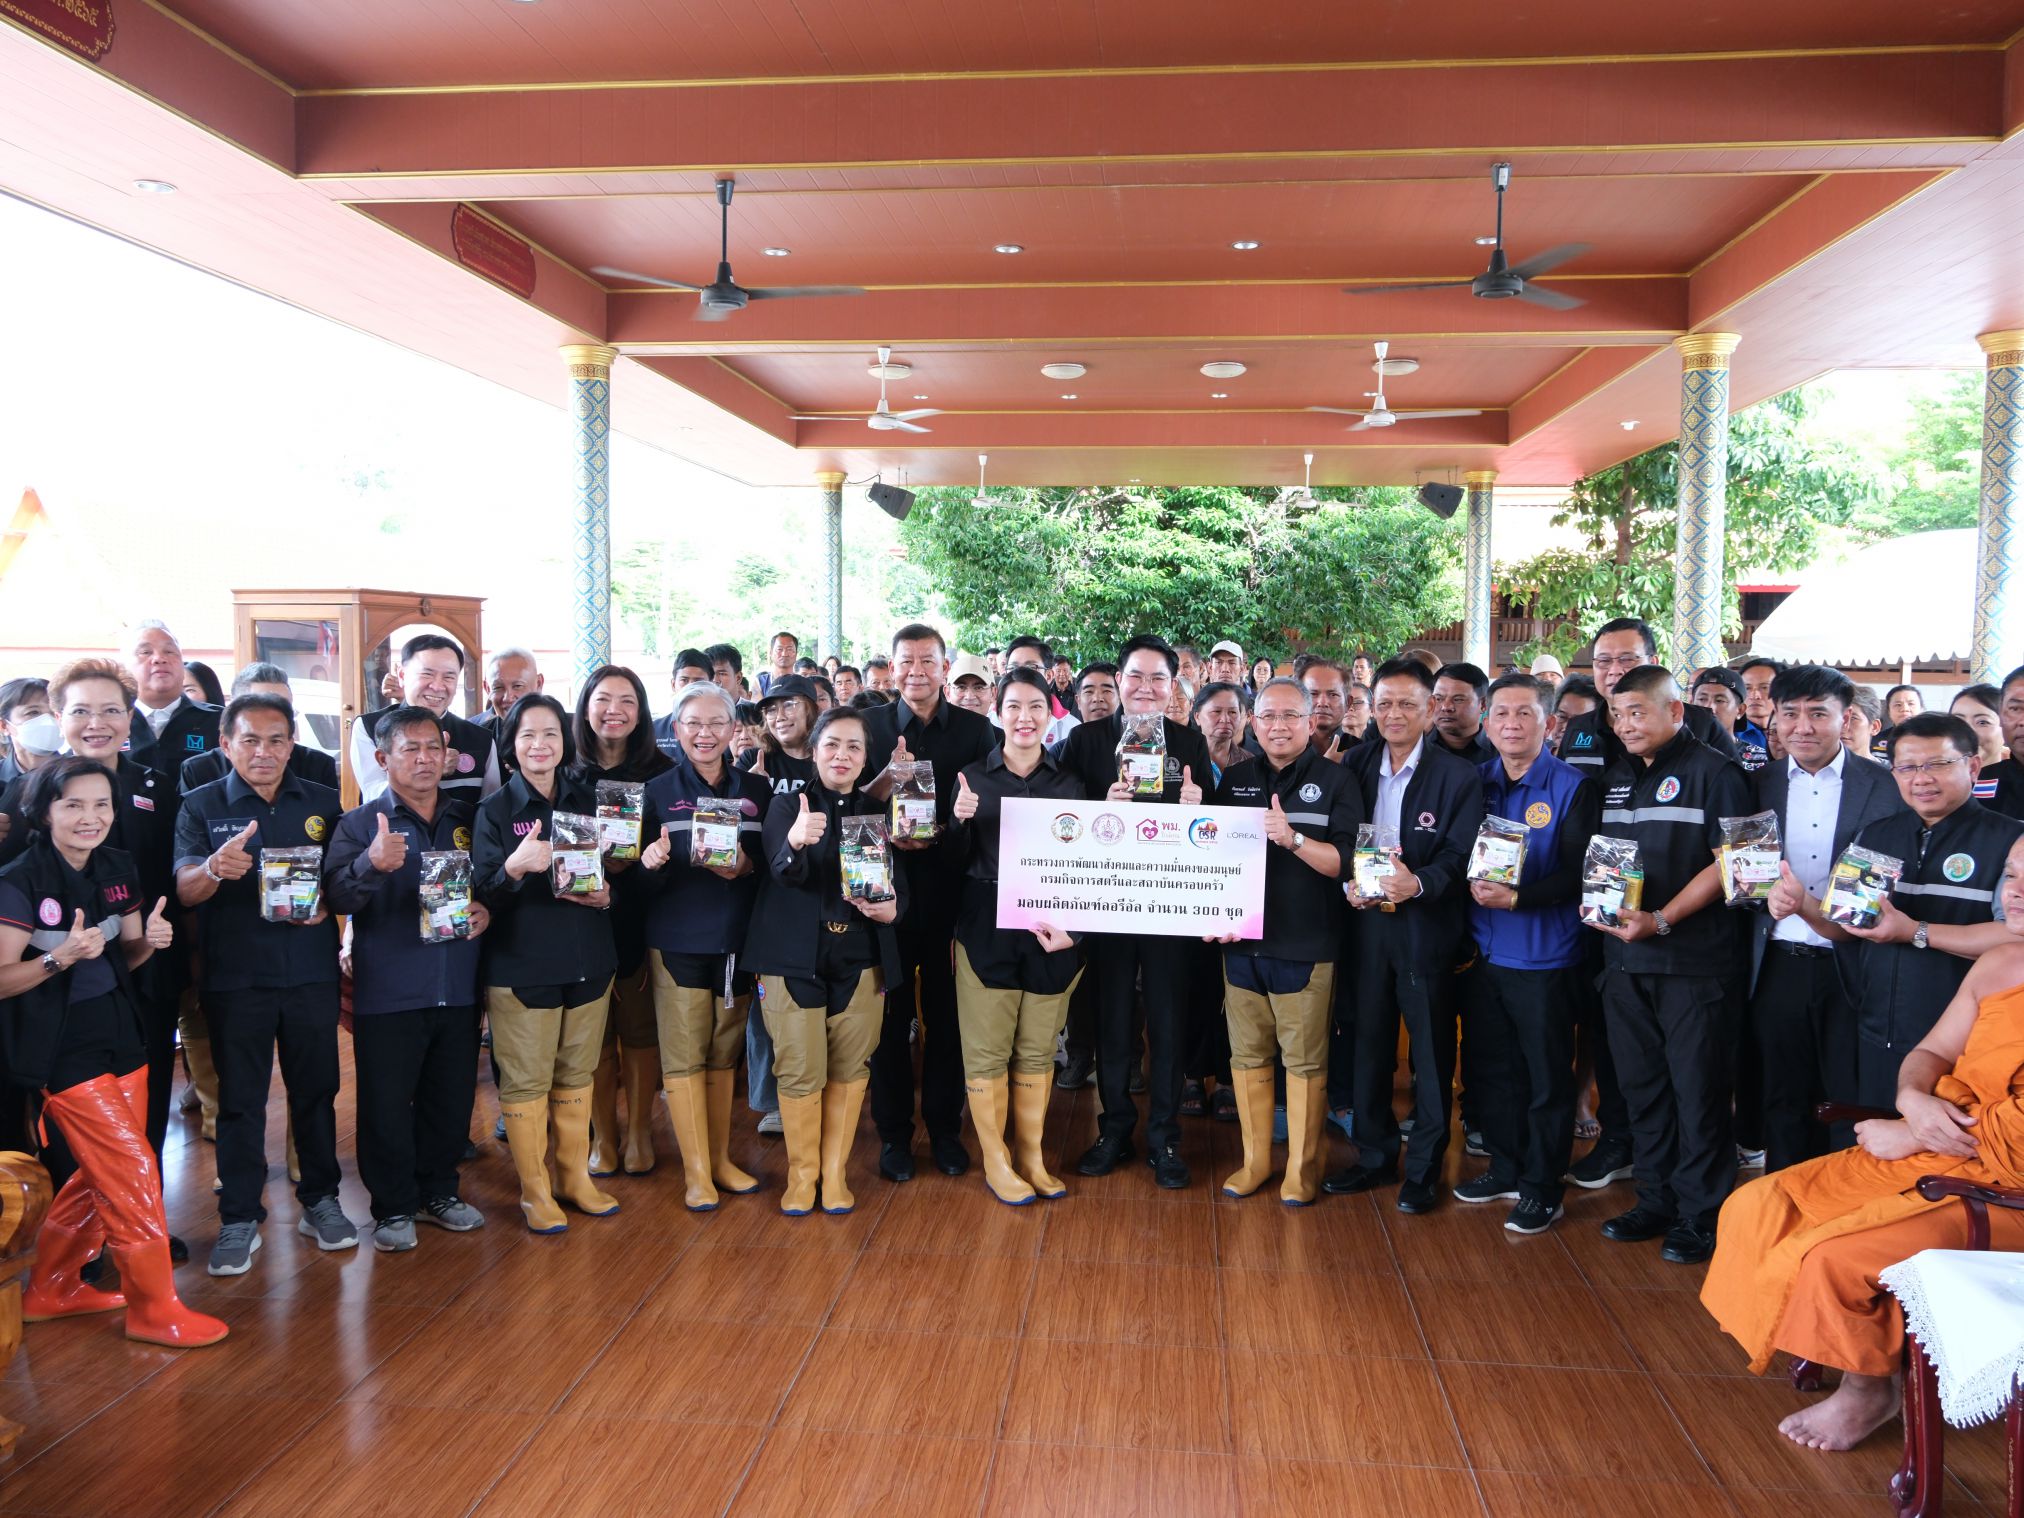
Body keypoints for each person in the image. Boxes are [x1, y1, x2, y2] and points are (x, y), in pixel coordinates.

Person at [1702, 841, 2024, 1452]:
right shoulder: (2001, 962)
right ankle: (1839, 1343)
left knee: (1835, 1257)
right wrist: (1911, 1098)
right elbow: (1932, 1051)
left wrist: (1913, 1131)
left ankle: (1869, 1389)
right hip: (1940, 1145)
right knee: (1760, 1205)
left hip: (2006, 1190)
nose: (2015, 891)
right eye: (2011, 874)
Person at [6, 757, 227, 1347]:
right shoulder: (19, 879)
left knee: (98, 1172)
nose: (90, 817)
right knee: (132, 1166)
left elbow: (127, 954)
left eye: (101, 804)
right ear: (44, 812)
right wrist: (58, 958)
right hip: (62, 1046)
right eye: (73, 805)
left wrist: (151, 941)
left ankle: (51, 1286)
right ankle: (153, 1307)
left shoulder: (116, 866)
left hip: (123, 1032)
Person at [175, 692, 354, 1276]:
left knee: (316, 1091)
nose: (263, 752)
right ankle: (238, 1216)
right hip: (236, 979)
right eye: (249, 740)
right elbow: (184, 889)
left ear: (292, 744)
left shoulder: (323, 802)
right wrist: (212, 869)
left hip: (309, 973)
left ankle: (320, 1200)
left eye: (276, 740)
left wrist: (327, 904)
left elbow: (344, 881)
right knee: (240, 1101)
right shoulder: (201, 805)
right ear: (226, 744)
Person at [1766, 710, 2024, 1108]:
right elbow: (1844, 927)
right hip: (1876, 1028)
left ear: (1973, 767)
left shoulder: (2011, 842)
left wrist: (1914, 931)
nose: (1921, 779)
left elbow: (2015, 936)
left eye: (1938, 764)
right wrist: (1802, 903)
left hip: (1965, 1041)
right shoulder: (1876, 836)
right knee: (1871, 1134)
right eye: (1906, 767)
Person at [1586, 665, 1752, 1264]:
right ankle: (1654, 1199)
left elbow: (1737, 864)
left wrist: (1662, 919)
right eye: (1617, 714)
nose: (1626, 725)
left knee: (1698, 1092)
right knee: (1642, 1089)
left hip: (1694, 965)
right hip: (1625, 962)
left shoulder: (1718, 773)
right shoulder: (1615, 778)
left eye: (1638, 712)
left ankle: (1700, 1214)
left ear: (1675, 711)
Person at [322, 705, 489, 1252]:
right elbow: (336, 897)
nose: (423, 759)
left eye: (432, 748)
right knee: (386, 1104)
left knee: (450, 1097)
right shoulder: (359, 824)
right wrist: (370, 863)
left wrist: (487, 911)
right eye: (409, 749)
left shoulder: (467, 818)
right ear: (382, 758)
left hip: (457, 987)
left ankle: (439, 1191)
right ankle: (393, 1206)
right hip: (389, 992)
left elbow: (491, 882)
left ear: (447, 754)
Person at [1324, 659, 1485, 1212]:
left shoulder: (1458, 776)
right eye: (1385, 704)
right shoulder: (1354, 763)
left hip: (1424, 928)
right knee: (1367, 1044)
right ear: (1371, 708)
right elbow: (1338, 838)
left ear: (1430, 709)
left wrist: (1418, 882)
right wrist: (1346, 882)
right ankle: (1374, 1156)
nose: (1394, 714)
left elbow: (1460, 855)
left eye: (1407, 704)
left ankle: (1424, 1170)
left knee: (1432, 1053)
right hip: (1365, 926)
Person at [1056, 635, 1212, 1187]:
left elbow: (1214, 832)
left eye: (1158, 678)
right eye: (1136, 676)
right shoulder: (1084, 740)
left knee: (1167, 1022)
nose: (1146, 688)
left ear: (1174, 686)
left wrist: (1198, 808)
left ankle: (1165, 1137)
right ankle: (1114, 1129)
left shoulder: (1189, 743)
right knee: (1113, 1020)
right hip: (1108, 901)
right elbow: (1059, 819)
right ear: (1118, 680)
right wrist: (1098, 808)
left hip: (1169, 902)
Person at [742, 707, 906, 1214]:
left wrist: (894, 908)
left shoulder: (878, 814)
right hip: (792, 957)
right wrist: (795, 840)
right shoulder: (784, 806)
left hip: (861, 954)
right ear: (813, 750)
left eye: (854, 746)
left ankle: (833, 1175)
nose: (842, 755)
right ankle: (802, 1176)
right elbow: (780, 871)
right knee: (799, 1068)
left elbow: (901, 887)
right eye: (832, 744)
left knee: (851, 1068)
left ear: (866, 757)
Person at [1746, 665, 1905, 1174]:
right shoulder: (1757, 785)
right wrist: (1761, 899)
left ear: (1846, 717)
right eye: (1790, 713)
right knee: (1782, 1094)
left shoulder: (1884, 786)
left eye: (1818, 713)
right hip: (1776, 963)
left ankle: (1843, 1200)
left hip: (1854, 964)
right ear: (1775, 717)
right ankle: (1783, 1196)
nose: (1803, 727)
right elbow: (1742, 873)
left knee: (1849, 1095)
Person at [471, 693, 620, 1233]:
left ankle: (575, 1179)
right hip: (522, 965)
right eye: (528, 735)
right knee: (527, 1081)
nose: (540, 744)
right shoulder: (494, 811)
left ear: (565, 741)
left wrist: (608, 895)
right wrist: (514, 867)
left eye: (551, 733)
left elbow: (617, 871)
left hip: (589, 959)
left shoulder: (590, 800)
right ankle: (535, 1193)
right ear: (510, 745)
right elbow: (481, 894)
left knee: (577, 1074)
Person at [1212, 678, 1362, 1205]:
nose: (1278, 726)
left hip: (1306, 944)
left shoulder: (1337, 781)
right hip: (1240, 943)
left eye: (1290, 716)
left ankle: (1302, 1169)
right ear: (1253, 723)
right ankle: (1255, 1162)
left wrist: (1293, 838)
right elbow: (1210, 857)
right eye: (1268, 716)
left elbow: (1346, 863)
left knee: (1304, 1062)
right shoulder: (1235, 779)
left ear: (1310, 721)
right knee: (1247, 1057)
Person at [1459, 673, 1599, 1234]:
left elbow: (1580, 872)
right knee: (1494, 1071)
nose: (1511, 724)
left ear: (1550, 723)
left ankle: (1543, 1187)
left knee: (1546, 1080)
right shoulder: (1477, 781)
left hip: (1544, 957)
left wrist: (1518, 898)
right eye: (1501, 714)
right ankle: (1506, 1168)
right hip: (1483, 953)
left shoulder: (1572, 787)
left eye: (1525, 714)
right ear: (1486, 721)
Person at [944, 669, 1086, 1205]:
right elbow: (947, 865)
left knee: (1037, 1049)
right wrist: (958, 823)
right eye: (1013, 707)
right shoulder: (969, 779)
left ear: (1051, 715)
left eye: (1035, 707)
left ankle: (1031, 1156)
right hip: (986, 923)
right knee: (986, 1050)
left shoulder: (1069, 783)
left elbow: (1088, 868)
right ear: (996, 712)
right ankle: (996, 1161)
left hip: (1050, 926)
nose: (1024, 718)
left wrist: (1076, 930)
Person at [860, 625, 996, 1183]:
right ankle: (894, 1135)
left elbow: (985, 813)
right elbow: (847, 804)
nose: (916, 671)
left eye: (927, 661)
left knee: (946, 1020)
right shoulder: (867, 727)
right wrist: (884, 782)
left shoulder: (976, 731)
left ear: (945, 669)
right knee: (889, 1022)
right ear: (891, 669)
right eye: (906, 661)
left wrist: (944, 831)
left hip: (948, 896)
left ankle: (944, 1130)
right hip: (882, 898)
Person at [637, 681, 769, 1210]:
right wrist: (648, 864)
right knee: (684, 1053)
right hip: (677, 940)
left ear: (734, 729)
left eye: (717, 723)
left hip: (738, 940)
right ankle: (696, 1174)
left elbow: (772, 868)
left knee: (723, 1052)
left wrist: (747, 864)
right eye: (694, 723)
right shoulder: (655, 791)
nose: (705, 733)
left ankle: (719, 1160)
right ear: (676, 729)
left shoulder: (756, 791)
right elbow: (628, 875)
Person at [573, 666, 675, 1178]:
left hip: (641, 913)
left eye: (627, 701)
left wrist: (641, 864)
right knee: (593, 1033)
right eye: (603, 699)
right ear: (585, 707)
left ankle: (638, 1131)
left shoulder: (662, 772)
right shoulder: (565, 771)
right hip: (579, 919)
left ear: (641, 712)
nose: (614, 710)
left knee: (638, 1028)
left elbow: (673, 852)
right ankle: (602, 1136)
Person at [1556, 617, 1739, 775]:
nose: (1614, 670)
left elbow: (1731, 790)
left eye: (1627, 659)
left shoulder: (1701, 724)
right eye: (1604, 661)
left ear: (1653, 662)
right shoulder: (1578, 728)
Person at [350, 634, 501, 805]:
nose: (437, 686)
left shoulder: (481, 738)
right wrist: (430, 771)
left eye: (449, 677)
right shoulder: (369, 727)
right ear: (402, 675)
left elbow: (490, 807)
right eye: (427, 674)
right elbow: (374, 795)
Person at [179, 664, 339, 794]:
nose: (274, 717)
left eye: (284, 707)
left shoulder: (317, 766)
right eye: (261, 707)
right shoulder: (199, 771)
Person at [124, 621, 221, 784]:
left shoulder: (219, 720)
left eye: (169, 651)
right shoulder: (112, 722)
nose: (159, 659)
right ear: (125, 667)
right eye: (146, 652)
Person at [749, 674, 820, 796]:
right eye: (771, 709)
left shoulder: (828, 761)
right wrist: (745, 785)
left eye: (788, 705)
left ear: (811, 710)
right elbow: (728, 805)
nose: (780, 717)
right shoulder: (753, 759)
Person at [1003, 637, 1080, 744]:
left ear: (1048, 676)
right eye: (1013, 668)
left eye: (1031, 667)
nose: (1020, 675)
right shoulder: (992, 721)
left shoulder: (1072, 729)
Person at [1691, 667, 1769, 772]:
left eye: (1720, 700)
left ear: (1740, 710)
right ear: (1692, 704)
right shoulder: (1679, 753)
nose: (1709, 708)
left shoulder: (1759, 761)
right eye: (1702, 699)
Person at [651, 648, 717, 757]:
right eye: (684, 680)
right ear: (673, 684)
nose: (690, 687)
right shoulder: (654, 730)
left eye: (698, 681)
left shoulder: (725, 728)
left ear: (711, 685)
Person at [1431, 662, 1495, 764]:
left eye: (1458, 699)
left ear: (1483, 704)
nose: (1446, 707)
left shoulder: (1501, 750)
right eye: (1439, 699)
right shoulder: (1415, 747)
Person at [0, 677, 56, 788]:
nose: (49, 721)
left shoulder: (81, 773)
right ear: (4, 726)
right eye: (33, 712)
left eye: (54, 712)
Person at [1192, 681, 1250, 786]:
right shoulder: (1180, 759)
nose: (1225, 719)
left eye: (1232, 712)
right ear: (1197, 717)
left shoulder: (1250, 762)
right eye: (1216, 711)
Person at [481, 647, 543, 742]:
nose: (508, 698)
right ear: (487, 689)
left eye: (518, 686)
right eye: (498, 687)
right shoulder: (479, 738)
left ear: (538, 683)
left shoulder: (566, 729)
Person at [1300, 659, 1351, 760]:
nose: (1322, 703)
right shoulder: (1284, 749)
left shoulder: (1363, 753)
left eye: (1333, 695)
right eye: (1313, 694)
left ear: (1348, 703)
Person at [1545, 675, 1598, 752]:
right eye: (1562, 717)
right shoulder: (1535, 754)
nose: (1566, 727)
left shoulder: (1606, 758)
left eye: (1579, 721)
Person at [1739, 657, 1782, 739]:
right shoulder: (1728, 734)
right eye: (1747, 688)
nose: (1755, 696)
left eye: (1764, 687)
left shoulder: (1794, 732)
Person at [1843, 685, 1885, 764]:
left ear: (1874, 727)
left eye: (1852, 718)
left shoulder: (1893, 770)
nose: (1843, 727)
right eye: (1838, 718)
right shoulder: (1819, 769)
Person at [757, 631, 799, 697]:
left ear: (796, 653)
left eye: (789, 649)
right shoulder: (760, 683)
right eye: (779, 649)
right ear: (771, 653)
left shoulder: (803, 683)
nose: (784, 654)